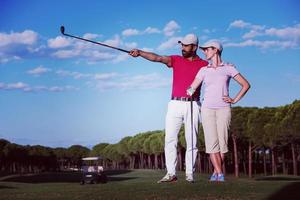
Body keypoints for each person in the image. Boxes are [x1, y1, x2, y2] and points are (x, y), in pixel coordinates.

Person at [129, 34, 208, 183]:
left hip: (193, 104)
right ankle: (171, 173)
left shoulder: (204, 64)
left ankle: (190, 174)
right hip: (174, 104)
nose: (182, 48)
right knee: (170, 139)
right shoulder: (176, 60)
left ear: (195, 47)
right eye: (182, 45)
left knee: (192, 141)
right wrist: (139, 53)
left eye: (186, 45)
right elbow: (157, 58)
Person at [187, 40, 250, 181]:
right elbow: (193, 86)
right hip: (207, 109)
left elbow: (245, 85)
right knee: (211, 143)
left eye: (206, 49)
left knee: (222, 144)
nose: (204, 52)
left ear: (215, 50)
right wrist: (189, 90)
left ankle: (216, 172)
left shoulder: (229, 68)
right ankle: (220, 174)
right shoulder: (204, 70)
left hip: (223, 109)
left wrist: (234, 99)